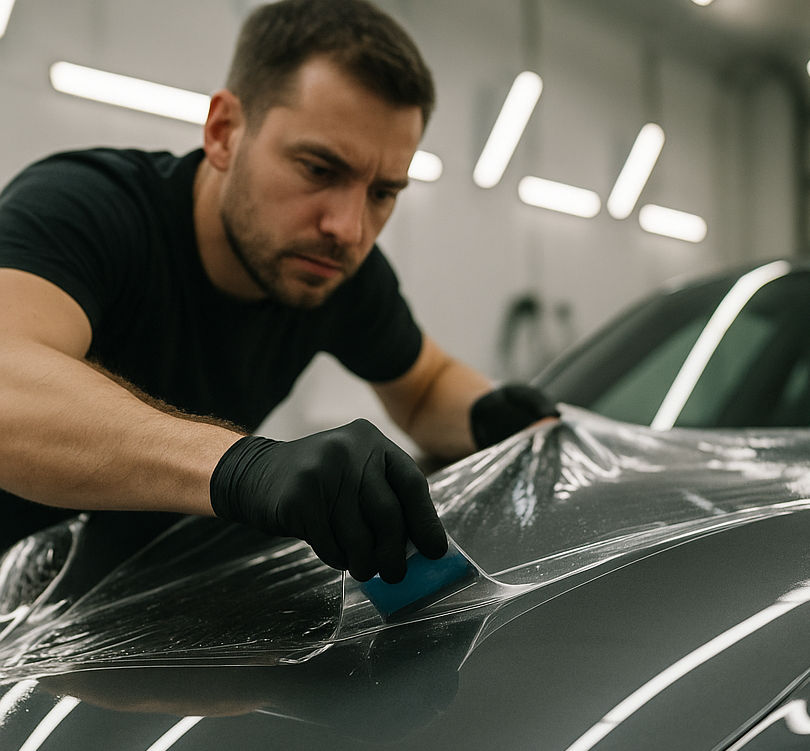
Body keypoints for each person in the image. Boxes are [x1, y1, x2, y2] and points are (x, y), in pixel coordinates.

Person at [0, 0, 557, 583]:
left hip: (123, 606)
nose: (349, 228)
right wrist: (244, 469)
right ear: (224, 132)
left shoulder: (339, 270)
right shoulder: (86, 206)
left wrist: (486, 412)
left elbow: (422, 387)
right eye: (319, 169)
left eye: (383, 192)